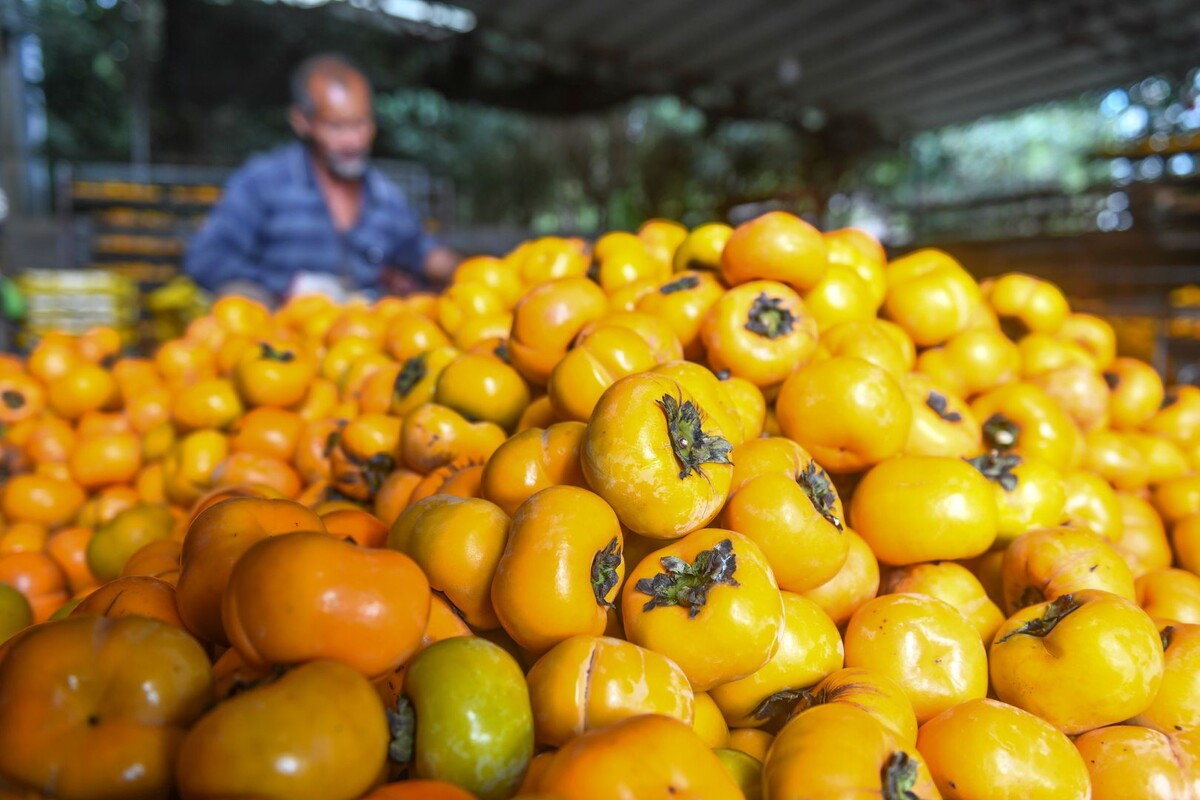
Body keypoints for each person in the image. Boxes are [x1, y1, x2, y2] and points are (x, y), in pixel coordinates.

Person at [183, 53, 459, 307]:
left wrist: (460, 272)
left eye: (361, 124)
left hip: (361, 337)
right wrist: (287, 286)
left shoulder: (384, 196)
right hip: (281, 335)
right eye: (336, 126)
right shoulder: (264, 184)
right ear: (302, 121)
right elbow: (206, 258)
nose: (353, 141)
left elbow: (419, 250)